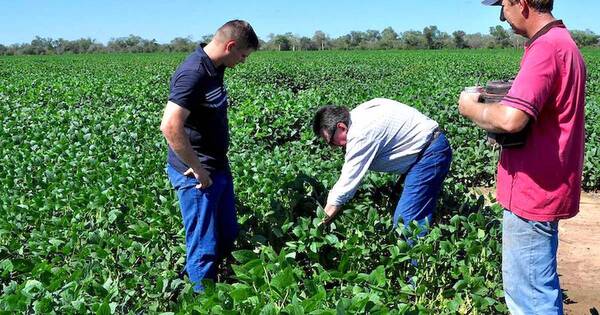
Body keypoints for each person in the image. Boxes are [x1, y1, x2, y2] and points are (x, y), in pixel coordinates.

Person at [458, 1, 586, 313]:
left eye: (503, 4)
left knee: (529, 298)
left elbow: (511, 119)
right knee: (536, 288)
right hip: (544, 187)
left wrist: (470, 107)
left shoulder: (547, 48)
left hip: (533, 193)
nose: (502, 15)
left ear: (522, 2)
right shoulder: (562, 44)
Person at [160, 20, 259, 292]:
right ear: (230, 46)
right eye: (243, 55)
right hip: (197, 173)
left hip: (217, 165)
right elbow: (169, 125)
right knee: (203, 246)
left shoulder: (216, 67)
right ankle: (202, 301)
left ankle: (203, 282)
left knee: (227, 233)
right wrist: (198, 169)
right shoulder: (193, 73)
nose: (243, 61)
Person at [312, 98, 452, 237]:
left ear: (341, 127)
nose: (333, 147)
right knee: (409, 214)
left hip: (429, 155)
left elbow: (346, 185)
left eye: (331, 141)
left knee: (407, 222)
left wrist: (320, 224)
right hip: (428, 148)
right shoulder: (359, 114)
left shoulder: (360, 135)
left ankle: (418, 258)